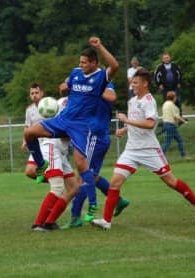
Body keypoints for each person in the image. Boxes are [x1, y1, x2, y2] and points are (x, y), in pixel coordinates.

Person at [92, 68, 195, 230]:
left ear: (145, 84)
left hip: (149, 150)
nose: (132, 85)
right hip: (131, 150)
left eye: (135, 82)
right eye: (132, 82)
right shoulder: (132, 101)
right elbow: (137, 121)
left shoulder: (149, 101)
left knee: (171, 181)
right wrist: (124, 130)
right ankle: (106, 221)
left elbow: (150, 123)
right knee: (115, 183)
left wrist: (127, 121)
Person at [24, 36, 119, 225]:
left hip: (81, 126)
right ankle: (42, 165)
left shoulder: (101, 77)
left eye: (84, 62)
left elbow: (115, 65)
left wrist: (100, 46)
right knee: (30, 133)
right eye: (80, 62)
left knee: (81, 165)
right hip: (62, 119)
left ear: (94, 63)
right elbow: (67, 83)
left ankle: (92, 204)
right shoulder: (76, 72)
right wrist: (65, 86)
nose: (81, 65)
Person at [61, 83, 130, 229]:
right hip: (95, 136)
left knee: (83, 177)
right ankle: (118, 200)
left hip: (95, 137)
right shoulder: (86, 83)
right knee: (92, 176)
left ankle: (75, 217)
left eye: (84, 63)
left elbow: (111, 96)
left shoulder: (104, 85)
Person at [31, 97, 81, 232]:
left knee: (73, 187)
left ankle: (50, 222)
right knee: (58, 187)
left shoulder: (66, 102)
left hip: (61, 151)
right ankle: (38, 224)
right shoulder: (73, 105)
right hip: (52, 147)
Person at [22, 83, 45, 179]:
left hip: (50, 142)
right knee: (29, 172)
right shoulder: (29, 110)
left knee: (35, 169)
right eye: (32, 93)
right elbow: (27, 126)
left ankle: (57, 181)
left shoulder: (49, 105)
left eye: (36, 92)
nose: (34, 95)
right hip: (36, 145)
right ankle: (57, 181)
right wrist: (24, 140)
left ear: (42, 93)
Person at [161, 91, 189, 158]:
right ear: (174, 97)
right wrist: (184, 121)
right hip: (171, 125)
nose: (176, 98)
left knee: (175, 141)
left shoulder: (165, 104)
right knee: (168, 142)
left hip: (166, 124)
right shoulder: (172, 105)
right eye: (175, 96)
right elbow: (176, 115)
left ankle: (183, 155)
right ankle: (160, 157)